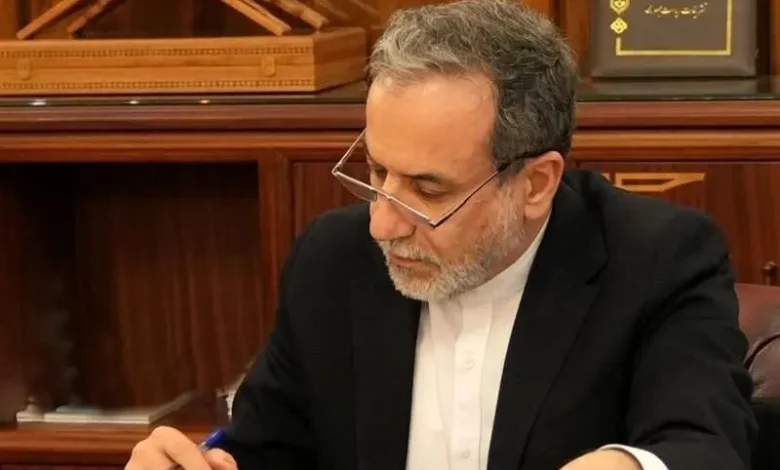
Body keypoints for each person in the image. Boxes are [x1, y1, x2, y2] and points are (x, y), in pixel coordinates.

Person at [124, 0, 757, 469]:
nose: (383, 224)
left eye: (428, 191)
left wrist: (627, 466)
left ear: (535, 184)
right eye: (377, 172)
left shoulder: (657, 259)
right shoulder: (333, 259)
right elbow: (268, 446)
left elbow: (706, 447)